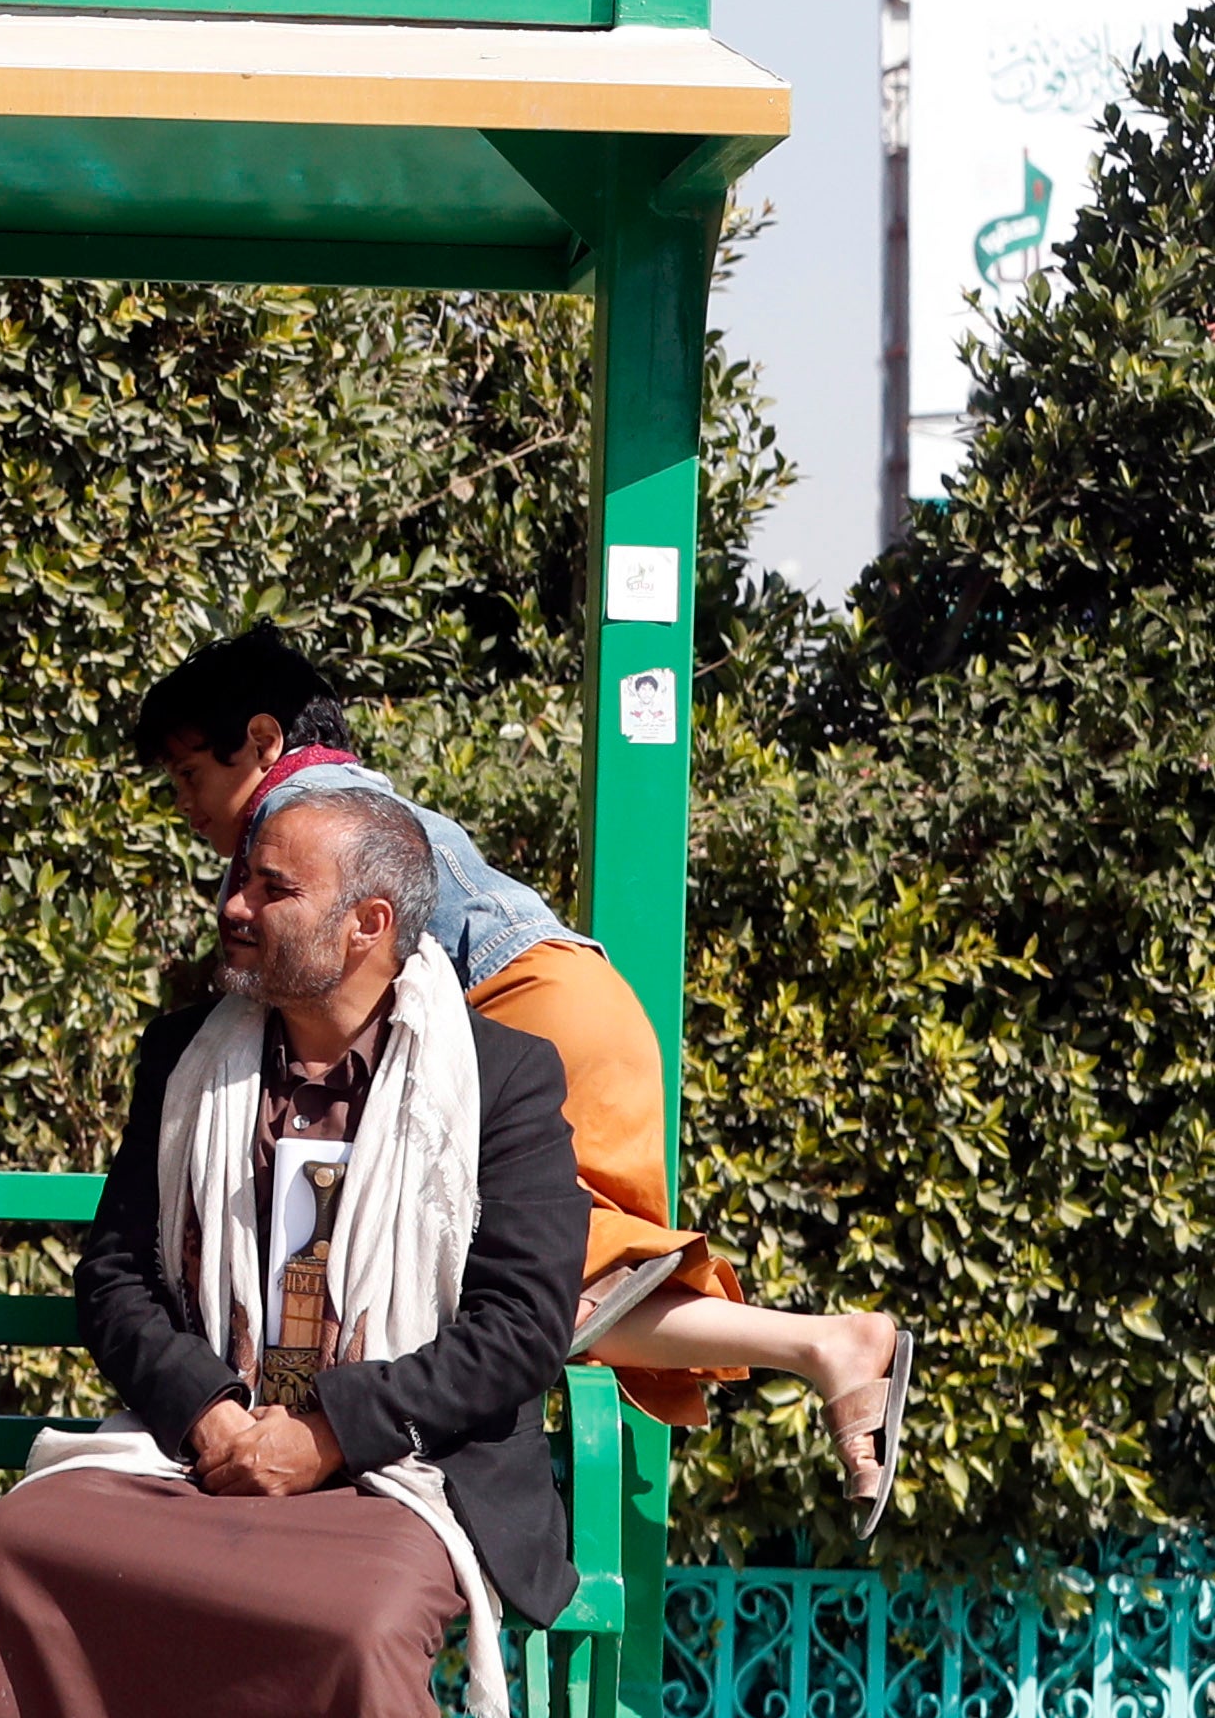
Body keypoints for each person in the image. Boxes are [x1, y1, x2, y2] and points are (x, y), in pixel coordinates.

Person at [0, 784, 583, 1718]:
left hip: (390, 1474)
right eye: (239, 879)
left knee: (356, 1637)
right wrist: (208, 1414)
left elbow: (519, 1327)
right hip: (200, 1454)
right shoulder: (188, 1055)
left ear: (368, 923)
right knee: (20, 1550)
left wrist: (323, 1436)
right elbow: (117, 1275)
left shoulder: (506, 1081)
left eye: (271, 888)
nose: (234, 904)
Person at [133, 623, 915, 1528]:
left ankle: (831, 1345)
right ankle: (827, 1346)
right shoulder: (356, 793)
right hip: (587, 1003)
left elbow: (288, 985)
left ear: (264, 743)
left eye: (190, 774)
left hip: (523, 1012)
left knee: (509, 1283)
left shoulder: (304, 813)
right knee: (569, 1288)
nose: (186, 804)